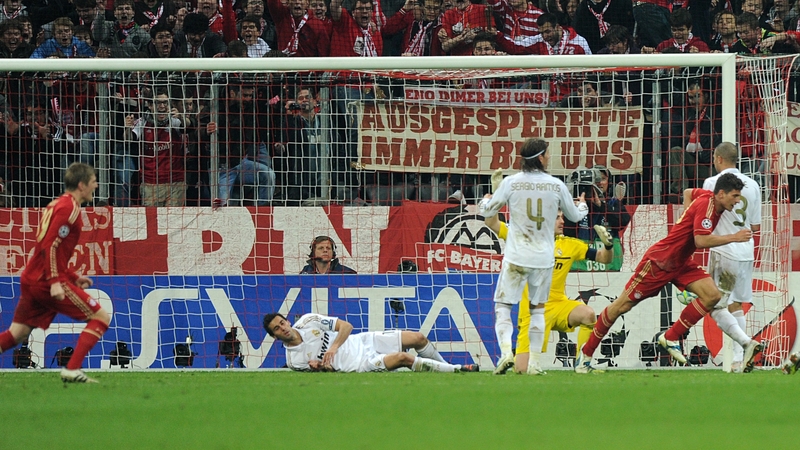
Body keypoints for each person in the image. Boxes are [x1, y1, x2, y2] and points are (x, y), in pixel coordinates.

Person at [573, 172, 764, 373]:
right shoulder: (707, 207)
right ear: (721, 194)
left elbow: (689, 192)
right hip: (660, 262)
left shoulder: (708, 197)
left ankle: (671, 337)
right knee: (620, 306)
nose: (737, 201)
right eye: (734, 196)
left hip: (681, 262)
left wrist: (686, 217)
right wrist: (734, 236)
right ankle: (585, 355)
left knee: (712, 296)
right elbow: (701, 241)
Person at [478, 138, 588, 375]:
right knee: (538, 310)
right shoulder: (556, 185)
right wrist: (583, 207)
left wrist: (486, 199)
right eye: (547, 153)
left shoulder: (511, 182)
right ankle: (535, 364)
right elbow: (575, 217)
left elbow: (487, 211)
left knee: (503, 307)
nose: (549, 157)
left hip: (517, 256)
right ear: (540, 157)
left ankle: (507, 351)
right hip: (543, 259)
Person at [0, 163, 109, 383]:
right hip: (44, 282)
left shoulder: (58, 205)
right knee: (101, 316)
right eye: (93, 181)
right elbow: (49, 246)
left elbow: (50, 249)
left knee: (17, 334)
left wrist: (72, 276)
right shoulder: (69, 209)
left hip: (33, 278)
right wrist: (56, 281)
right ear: (81, 185)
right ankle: (72, 368)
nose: (96, 185)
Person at [485, 208, 613, 374]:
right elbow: (491, 223)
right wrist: (493, 204)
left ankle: (582, 364)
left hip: (559, 305)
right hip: (531, 311)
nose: (562, 222)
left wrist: (608, 246)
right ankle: (512, 358)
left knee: (588, 315)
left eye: (562, 217)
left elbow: (604, 259)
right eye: (556, 218)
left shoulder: (569, 244)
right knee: (521, 370)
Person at [702, 142, 762, 373]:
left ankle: (743, 349)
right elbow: (755, 225)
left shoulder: (712, 183)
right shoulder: (754, 185)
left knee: (715, 304)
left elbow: (705, 216)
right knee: (736, 304)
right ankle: (739, 358)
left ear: (718, 159)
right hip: (747, 251)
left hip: (724, 250)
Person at [264, 312, 480, 372]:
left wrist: (334, 346)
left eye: (282, 322)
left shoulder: (308, 321)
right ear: (275, 337)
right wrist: (321, 367)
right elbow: (325, 374)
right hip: (360, 364)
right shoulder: (294, 361)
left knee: (418, 338)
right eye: (277, 329)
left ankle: (447, 367)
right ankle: (456, 370)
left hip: (364, 340)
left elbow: (346, 327)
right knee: (403, 358)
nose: (284, 328)